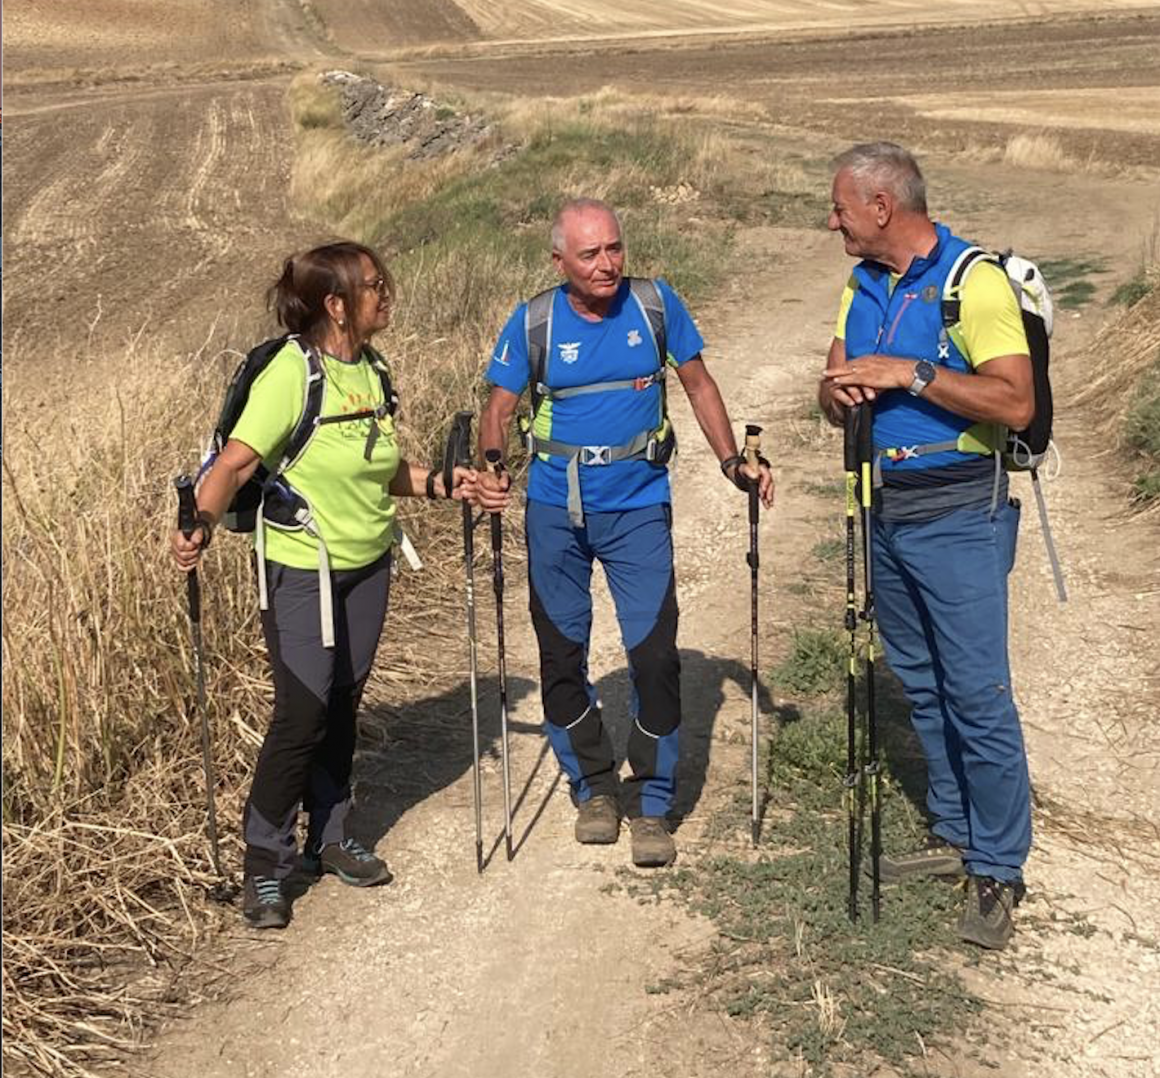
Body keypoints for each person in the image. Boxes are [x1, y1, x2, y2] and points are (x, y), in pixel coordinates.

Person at [171, 241, 479, 929]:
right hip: (300, 567)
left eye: (383, 281)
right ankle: (264, 866)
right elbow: (235, 463)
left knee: (343, 700)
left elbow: (383, 468)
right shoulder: (291, 371)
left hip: (369, 561)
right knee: (302, 712)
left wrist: (440, 484)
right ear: (335, 305)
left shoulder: (373, 370)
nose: (386, 294)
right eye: (373, 286)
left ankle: (330, 837)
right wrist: (197, 524)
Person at [474, 198, 773, 868]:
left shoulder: (655, 305)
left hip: (638, 503)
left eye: (614, 248)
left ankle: (654, 800)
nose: (607, 264)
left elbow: (698, 384)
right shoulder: (535, 322)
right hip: (556, 509)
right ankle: (595, 788)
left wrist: (732, 463)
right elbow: (498, 410)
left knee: (656, 656)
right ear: (560, 262)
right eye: (590, 254)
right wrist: (493, 468)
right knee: (560, 656)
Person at [817, 143, 1034, 949]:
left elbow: (1014, 401)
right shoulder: (862, 283)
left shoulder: (972, 283)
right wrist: (835, 392)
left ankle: (998, 867)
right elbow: (836, 377)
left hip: (957, 511)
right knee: (922, 683)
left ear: (881, 207)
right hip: (885, 509)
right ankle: (952, 830)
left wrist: (910, 375)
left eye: (840, 207)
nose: (831, 219)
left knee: (978, 693)